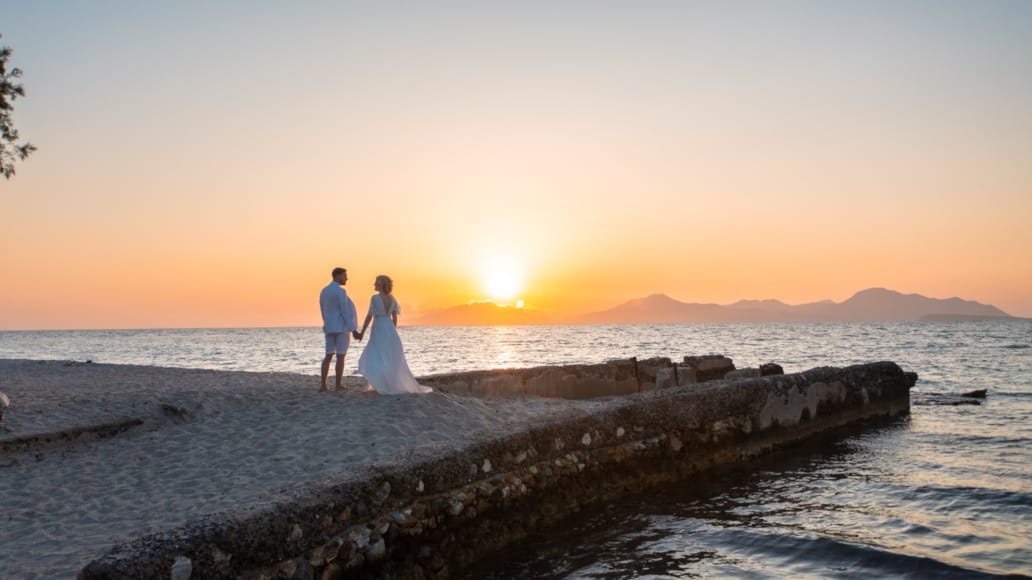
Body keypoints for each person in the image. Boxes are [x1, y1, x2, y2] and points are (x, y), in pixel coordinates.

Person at [355, 275, 431, 394]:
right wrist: (392, 330)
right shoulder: (392, 299)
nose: (374, 284)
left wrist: (362, 332)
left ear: (380, 284)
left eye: (376, 282)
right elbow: (395, 318)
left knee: (377, 352)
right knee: (390, 354)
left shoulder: (375, 298)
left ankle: (381, 382)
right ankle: (387, 381)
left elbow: (369, 316)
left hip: (379, 326)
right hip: (389, 327)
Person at [319, 267, 359, 391]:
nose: (346, 278)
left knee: (328, 355)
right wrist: (353, 330)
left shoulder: (324, 291)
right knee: (341, 356)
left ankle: (324, 386)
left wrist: (326, 323)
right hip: (341, 327)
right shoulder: (340, 291)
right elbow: (345, 311)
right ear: (337, 276)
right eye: (344, 275)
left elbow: (323, 310)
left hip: (329, 327)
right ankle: (338, 385)